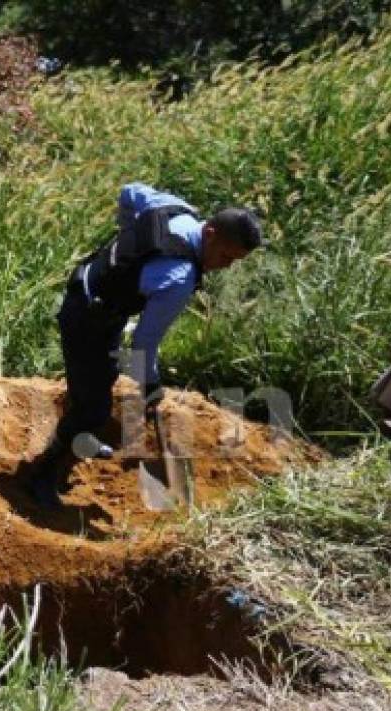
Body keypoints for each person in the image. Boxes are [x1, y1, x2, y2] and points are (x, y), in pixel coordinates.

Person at [27, 182, 263, 508]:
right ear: (209, 232)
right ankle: (42, 475)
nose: (226, 266)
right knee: (93, 409)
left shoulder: (175, 209)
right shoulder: (179, 277)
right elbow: (143, 345)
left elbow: (130, 191)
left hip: (92, 289)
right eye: (225, 256)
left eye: (235, 261)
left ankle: (81, 434)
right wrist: (149, 384)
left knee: (104, 376)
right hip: (86, 317)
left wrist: (127, 241)